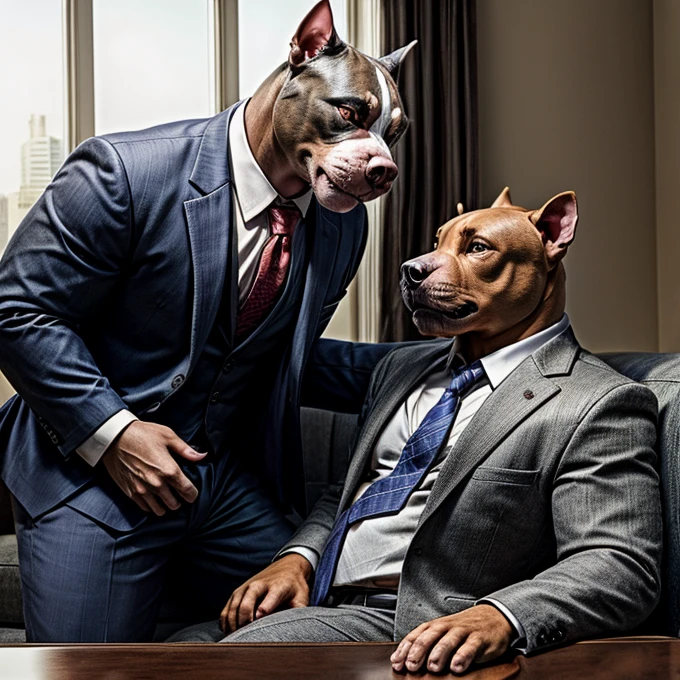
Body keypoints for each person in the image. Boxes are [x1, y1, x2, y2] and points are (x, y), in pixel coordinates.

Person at [0, 0, 411, 641]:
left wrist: (463, 362)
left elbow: (281, 353)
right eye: (352, 118)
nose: (378, 155)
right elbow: (17, 312)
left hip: (218, 484)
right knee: (88, 671)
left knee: (344, 623)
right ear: (303, 54)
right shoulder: (124, 173)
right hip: (89, 472)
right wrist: (116, 436)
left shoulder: (340, 223)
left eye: (389, 132)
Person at [178, 188, 662, 676]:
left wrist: (502, 616)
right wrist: (298, 558)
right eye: (441, 244)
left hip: (409, 621)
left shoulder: (597, 402)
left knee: (197, 669)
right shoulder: (402, 368)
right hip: (318, 597)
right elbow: (351, 490)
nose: (423, 264)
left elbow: (618, 563)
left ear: (552, 240)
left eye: (475, 249)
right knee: (162, 649)